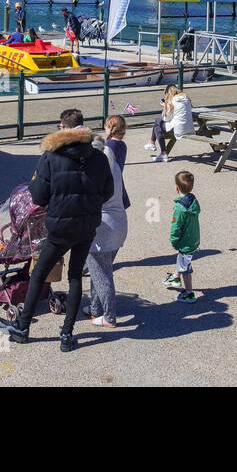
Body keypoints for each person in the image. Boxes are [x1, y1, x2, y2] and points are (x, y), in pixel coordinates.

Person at [0, 110, 114, 350]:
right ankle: (67, 335)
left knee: (39, 273)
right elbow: (108, 192)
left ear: (63, 129)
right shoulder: (99, 157)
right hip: (87, 225)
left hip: (60, 226)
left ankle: (23, 327)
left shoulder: (51, 157)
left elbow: (39, 196)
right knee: (74, 277)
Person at [87, 117, 128, 327]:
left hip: (103, 228)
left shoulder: (96, 172)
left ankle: (110, 316)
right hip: (120, 223)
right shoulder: (112, 163)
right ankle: (95, 309)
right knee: (99, 269)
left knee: (102, 274)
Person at [162, 170, 201, 302]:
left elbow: (176, 227)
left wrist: (173, 240)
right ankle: (176, 276)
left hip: (185, 242)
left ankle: (189, 292)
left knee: (186, 267)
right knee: (182, 260)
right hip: (193, 239)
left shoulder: (179, 208)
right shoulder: (193, 201)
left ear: (177, 188)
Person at [147, 84, 193, 161]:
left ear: (168, 93)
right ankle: (154, 145)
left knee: (157, 122)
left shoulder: (172, 100)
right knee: (157, 127)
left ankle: (156, 147)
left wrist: (165, 106)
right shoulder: (186, 98)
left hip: (179, 129)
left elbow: (166, 118)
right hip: (189, 128)